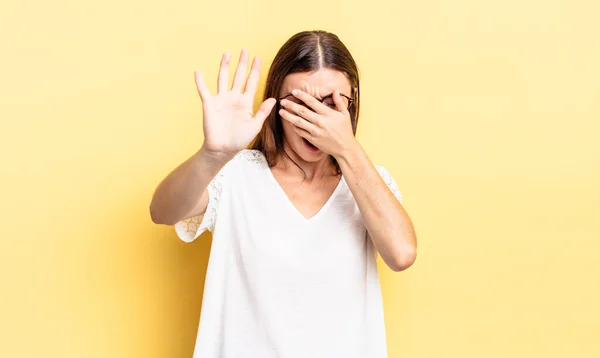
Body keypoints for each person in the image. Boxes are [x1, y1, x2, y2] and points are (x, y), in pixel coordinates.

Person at [150, 30, 417, 358]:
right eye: (297, 103)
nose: (312, 120)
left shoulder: (367, 183)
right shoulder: (237, 176)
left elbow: (402, 254)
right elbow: (162, 211)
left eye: (330, 104)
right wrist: (211, 155)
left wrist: (347, 149)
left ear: (352, 105)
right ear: (275, 103)